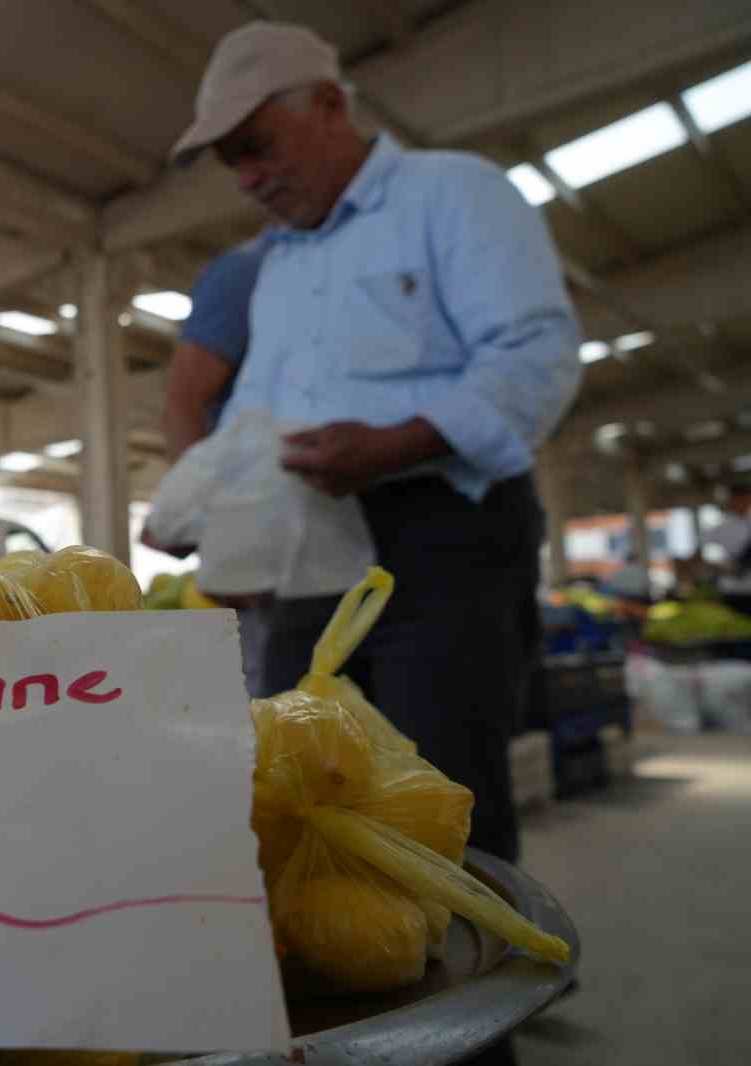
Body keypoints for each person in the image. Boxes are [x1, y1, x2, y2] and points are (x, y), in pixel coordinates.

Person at [169, 21, 582, 868]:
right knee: (295, 775)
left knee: (437, 786)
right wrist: (207, 506)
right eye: (230, 163)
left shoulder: (453, 195)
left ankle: (484, 986)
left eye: (258, 148)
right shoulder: (277, 265)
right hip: (317, 552)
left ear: (328, 104)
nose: (248, 179)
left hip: (443, 543)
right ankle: (358, 980)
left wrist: (397, 442)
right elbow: (256, 413)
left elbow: (534, 355)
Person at [155, 241, 270, 695]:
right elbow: (184, 399)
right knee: (277, 711)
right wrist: (214, 534)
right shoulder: (249, 271)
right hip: (262, 542)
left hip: (342, 539)